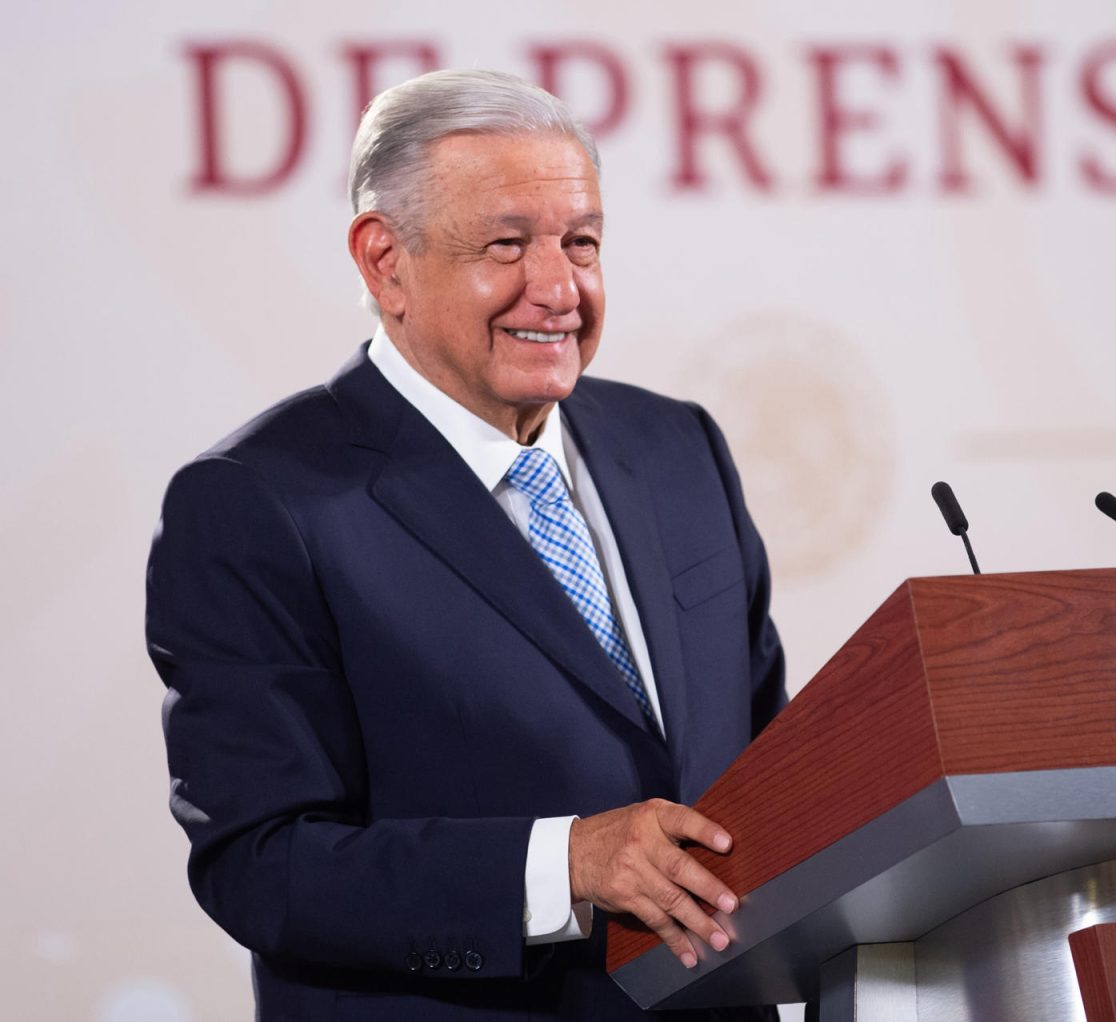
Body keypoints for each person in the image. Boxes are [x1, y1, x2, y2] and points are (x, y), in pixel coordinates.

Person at [145, 69, 785, 1021]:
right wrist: (562, 865)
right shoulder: (257, 502)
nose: (560, 287)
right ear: (383, 260)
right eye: (507, 246)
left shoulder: (678, 448)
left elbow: (775, 762)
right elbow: (262, 865)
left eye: (581, 242)